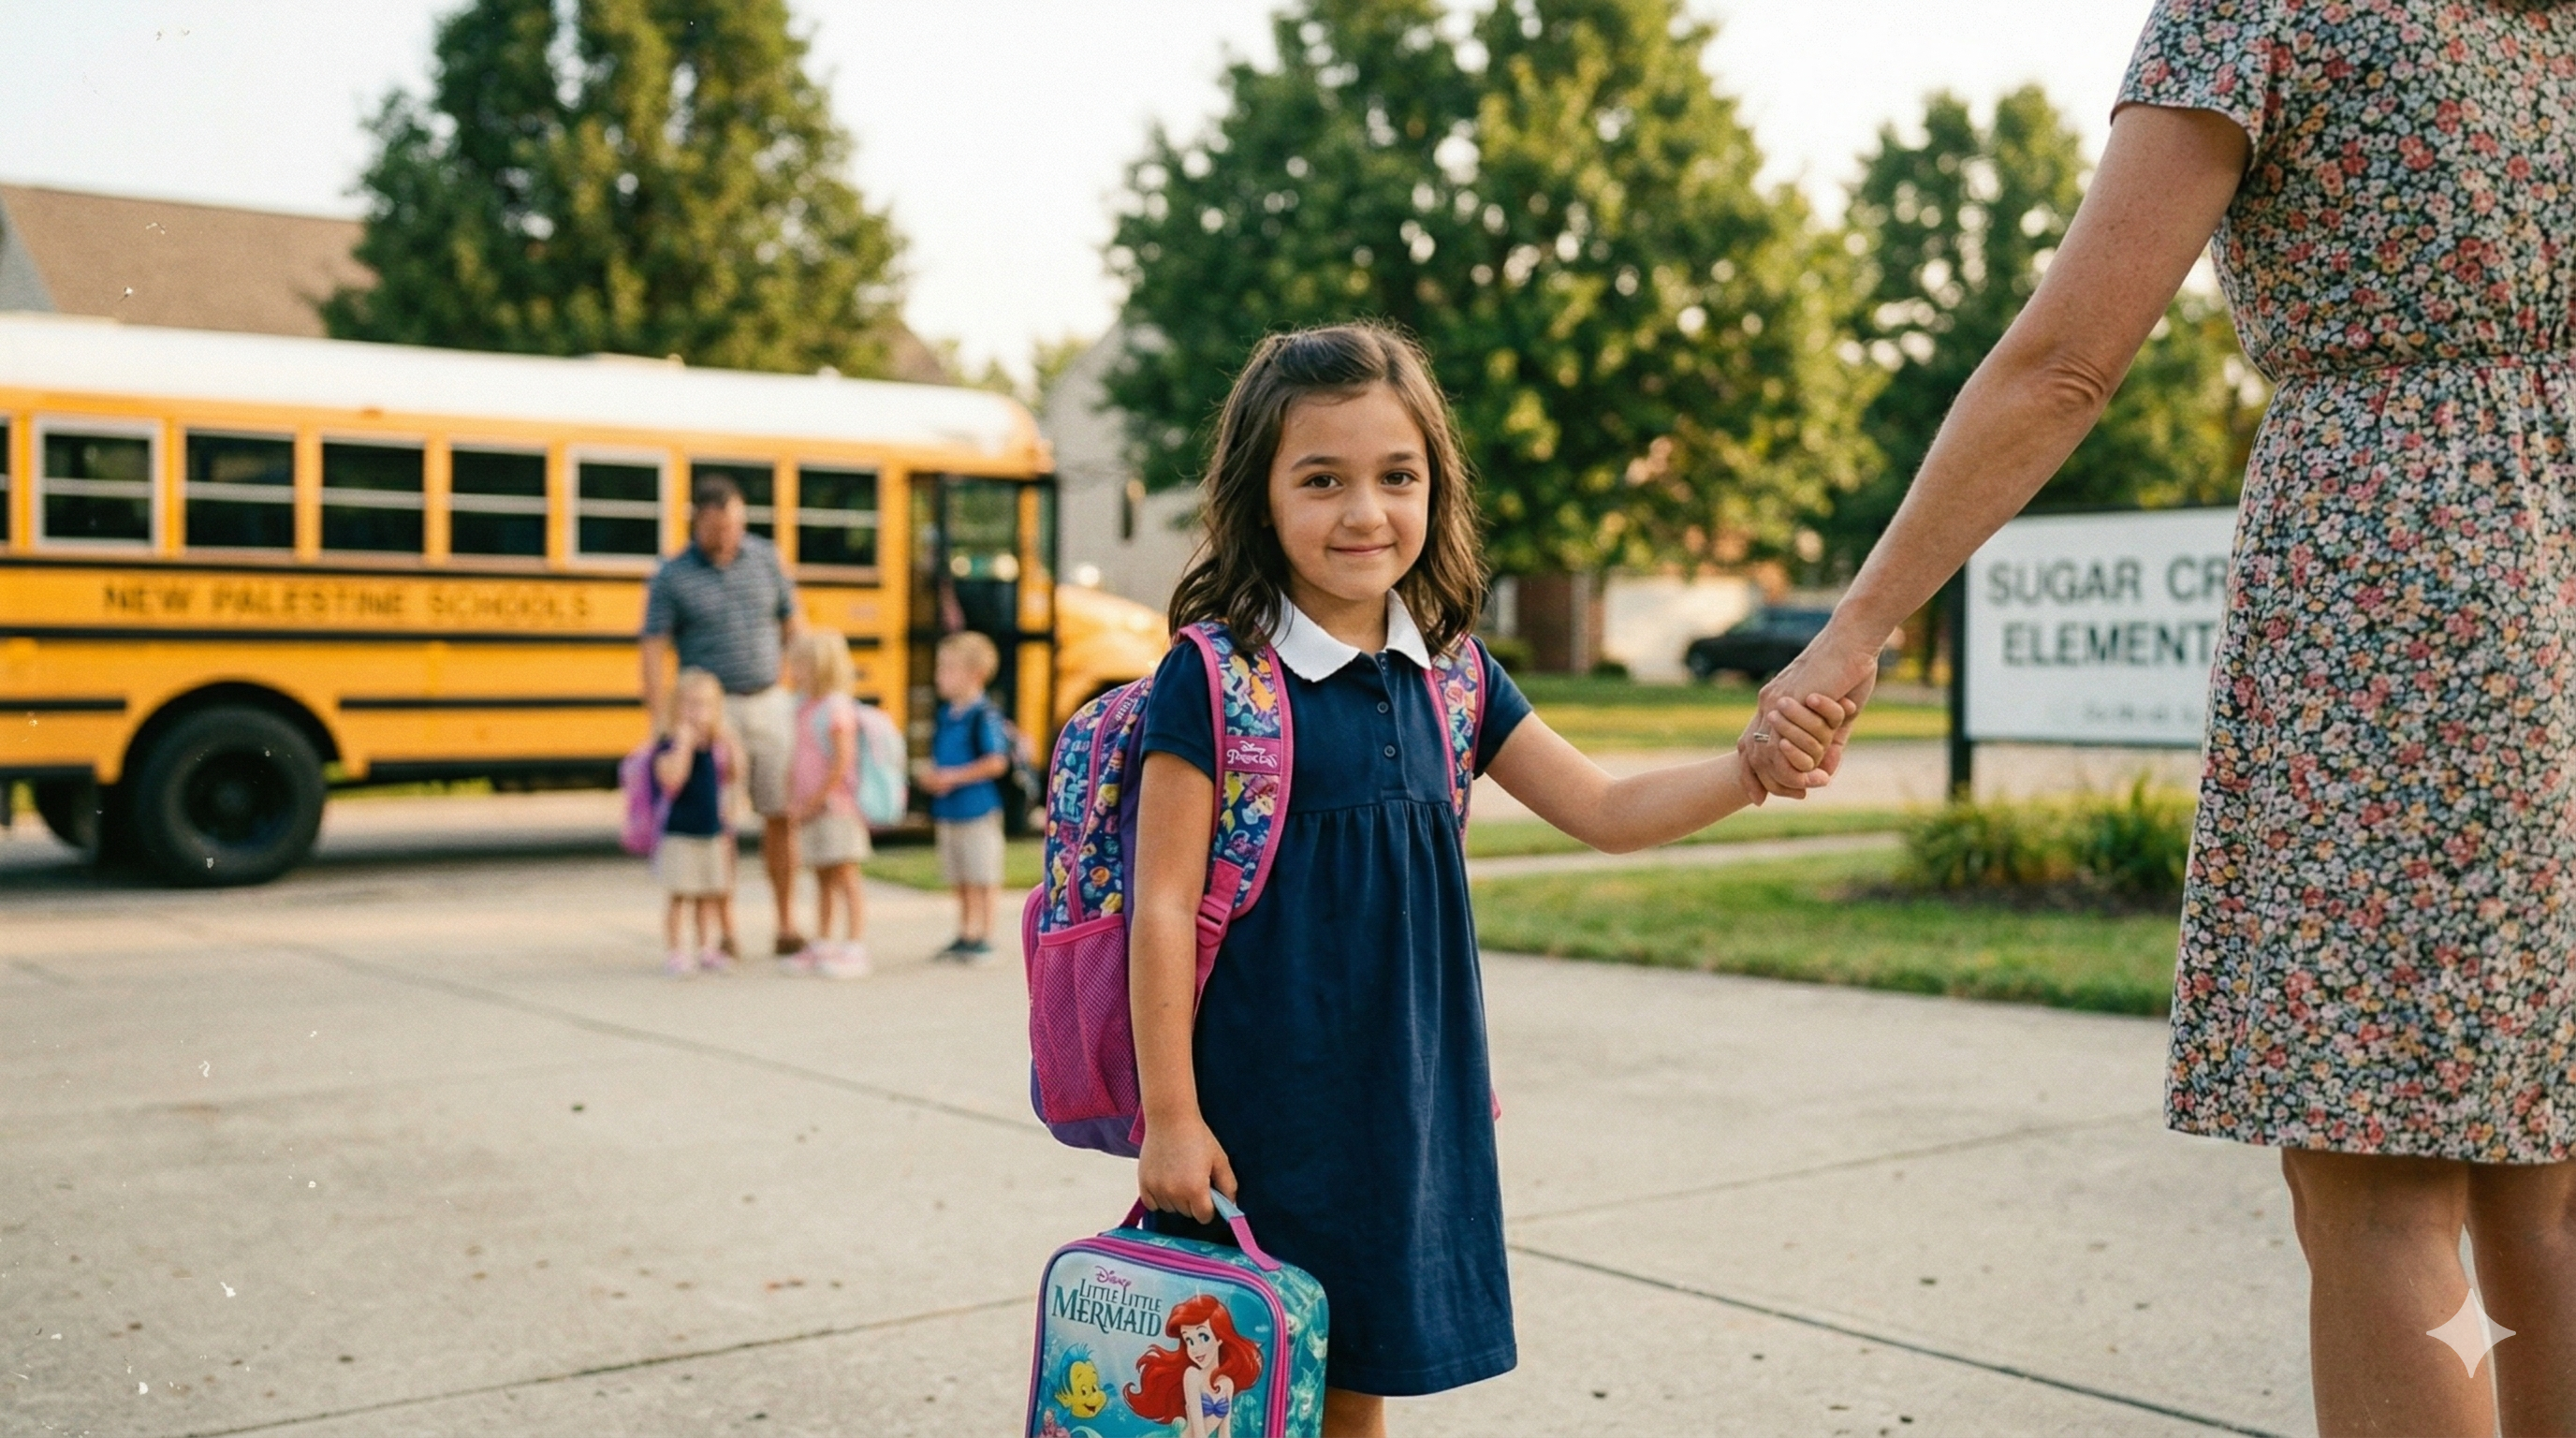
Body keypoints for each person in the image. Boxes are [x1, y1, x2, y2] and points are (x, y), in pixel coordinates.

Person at [1743, 5, 2576, 1432]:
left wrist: (1860, 622)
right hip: (2556, 568)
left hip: (2402, 596)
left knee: (2377, 1180)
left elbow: (2068, 360)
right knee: (2544, 1175)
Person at [1129, 322, 1839, 1436]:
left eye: (1395, 476)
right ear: (1257, 497)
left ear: (1434, 487)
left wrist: (1749, 769)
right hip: (1257, 1108)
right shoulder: (1220, 676)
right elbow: (1163, 905)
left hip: (1400, 1104)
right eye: (1322, 480)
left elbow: (1604, 811)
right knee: (1237, 1392)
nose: (1364, 511)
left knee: (1359, 1371)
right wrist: (1170, 1117)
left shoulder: (1453, 672)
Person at [640, 475, 806, 958]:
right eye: (717, 528)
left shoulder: (765, 558)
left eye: (735, 526)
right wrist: (663, 720)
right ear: (698, 522)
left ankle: (786, 922)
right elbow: (652, 647)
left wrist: (807, 689)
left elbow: (793, 624)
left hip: (769, 699)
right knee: (721, 821)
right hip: (713, 712)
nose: (728, 537)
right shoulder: (672, 574)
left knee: (782, 815)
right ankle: (725, 929)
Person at [919, 630, 1014, 962]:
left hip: (977, 809)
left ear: (975, 674)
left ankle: (985, 934)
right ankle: (966, 931)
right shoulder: (947, 715)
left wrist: (953, 777)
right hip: (951, 810)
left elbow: (997, 761)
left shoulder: (983, 715)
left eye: (948, 669)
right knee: (960, 876)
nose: (939, 677)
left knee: (982, 874)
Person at [783, 628, 871, 979]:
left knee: (845, 873)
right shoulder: (802, 706)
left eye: (799, 666)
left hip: (836, 808)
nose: (793, 672)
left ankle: (854, 945)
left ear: (819, 667)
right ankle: (823, 941)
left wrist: (816, 799)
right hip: (810, 808)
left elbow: (841, 762)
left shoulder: (836, 708)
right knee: (821, 874)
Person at [652, 668, 741, 976]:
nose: (698, 713)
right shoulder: (668, 744)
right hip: (679, 831)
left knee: (707, 895)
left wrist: (731, 745)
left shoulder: (716, 746)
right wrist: (684, 745)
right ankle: (676, 951)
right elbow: (671, 779)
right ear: (675, 708)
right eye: (690, 705)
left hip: (711, 831)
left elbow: (736, 774)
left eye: (705, 705)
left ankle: (706, 948)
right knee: (679, 895)